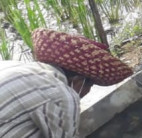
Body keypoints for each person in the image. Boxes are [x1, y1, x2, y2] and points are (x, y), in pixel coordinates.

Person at [0, 28, 132, 138]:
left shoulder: (13, 66)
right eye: (90, 86)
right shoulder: (61, 93)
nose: (88, 92)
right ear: (78, 81)